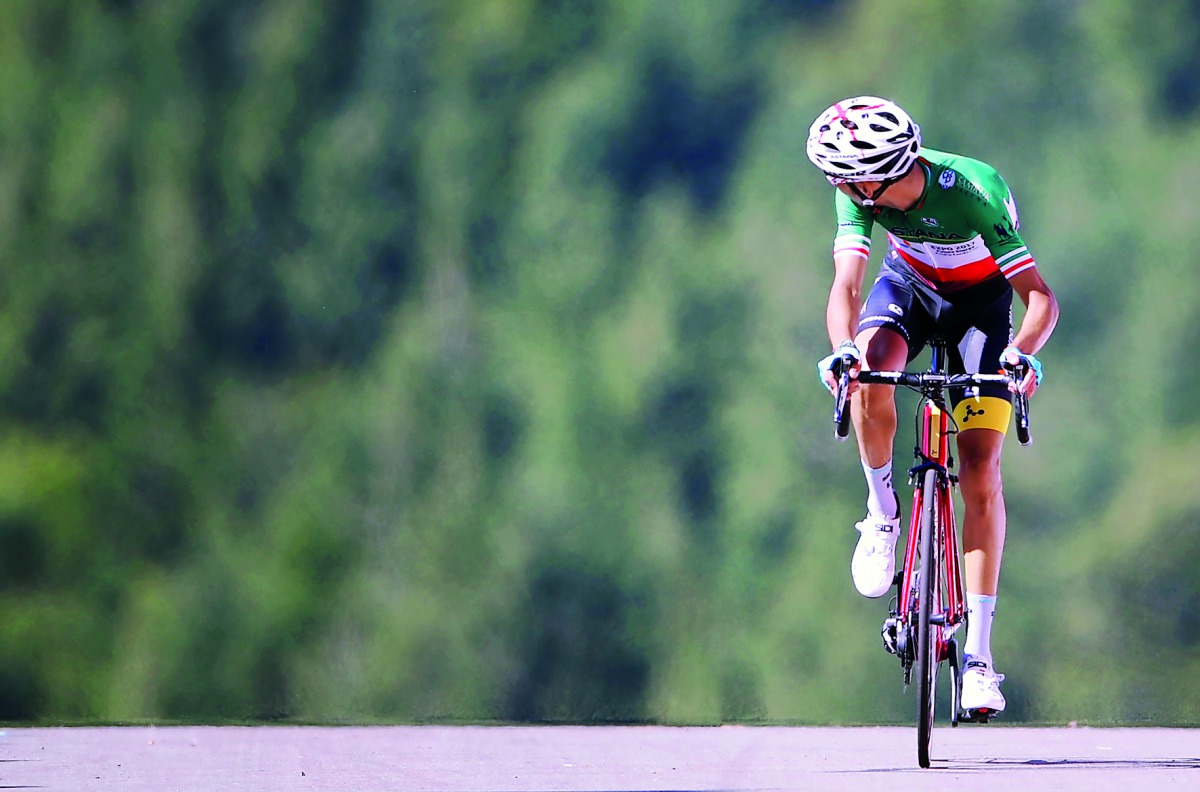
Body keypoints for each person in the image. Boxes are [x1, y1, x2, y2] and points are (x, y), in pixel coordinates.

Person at [806, 96, 1059, 713]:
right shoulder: (858, 195)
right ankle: (883, 513)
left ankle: (979, 658)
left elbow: (1040, 298)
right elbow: (846, 285)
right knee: (868, 372)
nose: (837, 184)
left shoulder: (972, 190)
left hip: (982, 310)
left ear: (882, 172)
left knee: (979, 470)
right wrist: (842, 349)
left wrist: (1022, 354)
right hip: (910, 290)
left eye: (845, 175)